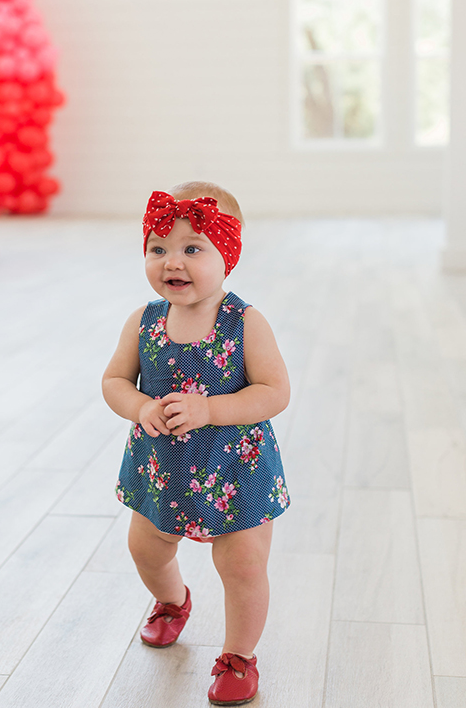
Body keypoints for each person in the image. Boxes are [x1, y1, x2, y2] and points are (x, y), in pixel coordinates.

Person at [102, 181, 290, 706]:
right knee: (145, 547)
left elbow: (275, 392)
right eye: (158, 248)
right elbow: (114, 381)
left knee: (243, 565)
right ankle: (172, 600)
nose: (172, 262)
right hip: (164, 467)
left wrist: (211, 409)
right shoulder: (144, 322)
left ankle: (239, 655)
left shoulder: (244, 323)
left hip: (236, 469)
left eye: (192, 248)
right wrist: (139, 406)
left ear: (226, 256)